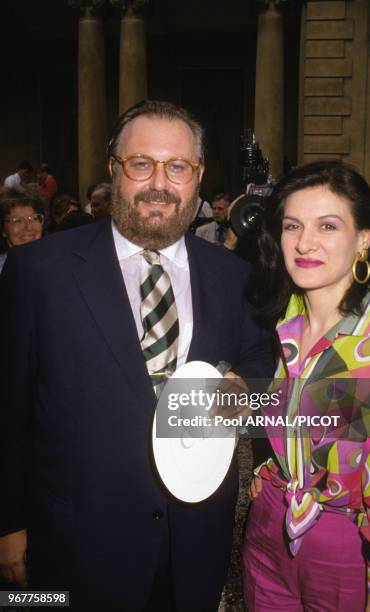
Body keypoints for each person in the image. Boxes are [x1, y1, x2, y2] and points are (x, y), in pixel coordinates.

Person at [0, 100, 272, 612]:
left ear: (199, 176)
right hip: (76, 538)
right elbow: (8, 405)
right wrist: (8, 522)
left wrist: (243, 384)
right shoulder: (38, 270)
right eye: (141, 164)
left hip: (194, 535)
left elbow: (261, 351)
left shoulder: (234, 276)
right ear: (113, 170)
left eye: (178, 167)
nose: (159, 184)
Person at [242, 160, 370, 612]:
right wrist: (270, 466)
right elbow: (284, 413)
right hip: (267, 524)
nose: (304, 242)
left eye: (328, 225)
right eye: (292, 225)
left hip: (344, 541)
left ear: (364, 239)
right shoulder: (281, 325)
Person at [0, 186, 44, 273]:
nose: (29, 227)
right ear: (3, 230)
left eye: (34, 218)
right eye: (17, 220)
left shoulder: (56, 262)